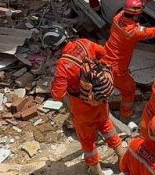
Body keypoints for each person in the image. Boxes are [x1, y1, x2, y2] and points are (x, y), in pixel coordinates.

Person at [50, 37, 124, 175]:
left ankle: (96, 171)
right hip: (100, 100)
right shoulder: (84, 43)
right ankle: (122, 157)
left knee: (88, 142)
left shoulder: (63, 65)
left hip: (82, 109)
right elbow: (102, 52)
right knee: (107, 127)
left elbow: (57, 94)